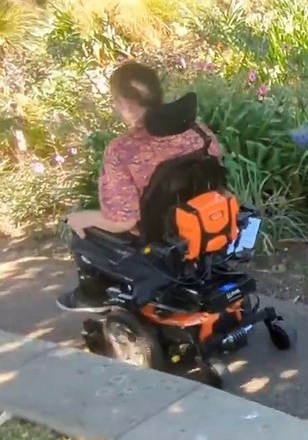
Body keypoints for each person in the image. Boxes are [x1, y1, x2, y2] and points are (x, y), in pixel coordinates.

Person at [58, 60, 224, 312]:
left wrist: (80, 218)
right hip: (202, 225)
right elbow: (217, 169)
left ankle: (95, 295)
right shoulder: (197, 131)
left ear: (124, 103)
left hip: (156, 241)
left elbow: (123, 220)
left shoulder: (122, 150)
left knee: (80, 230)